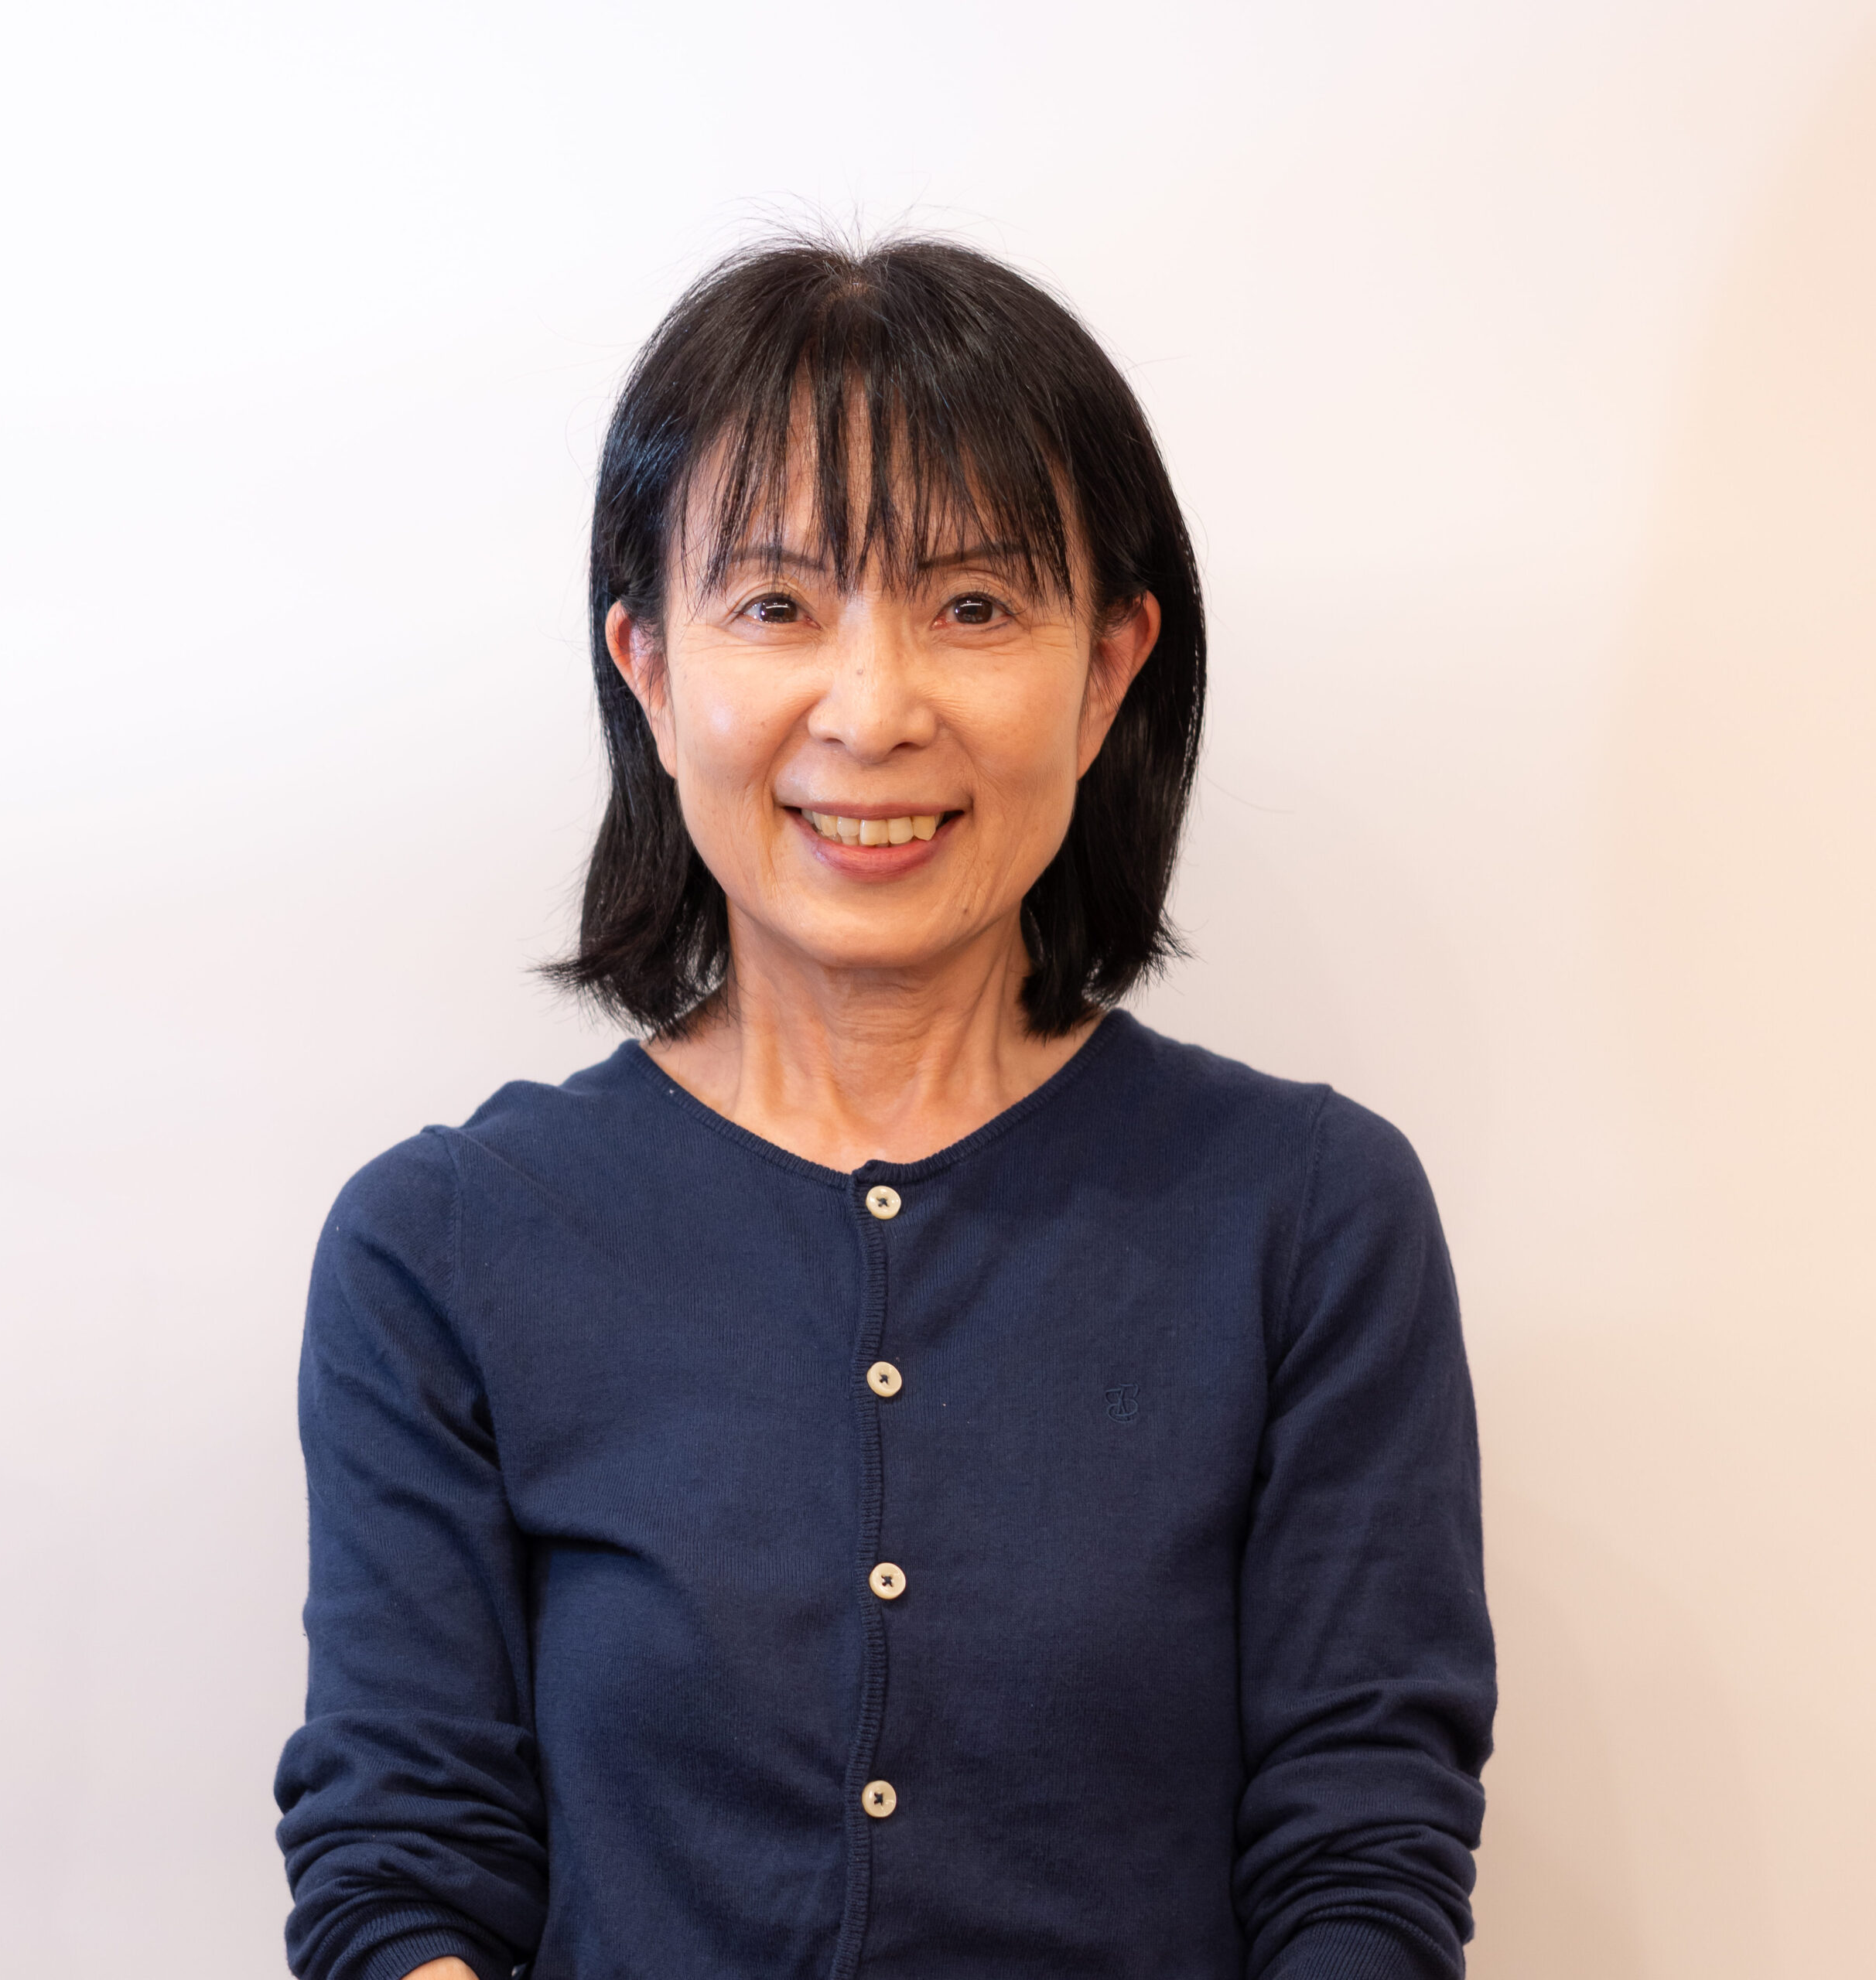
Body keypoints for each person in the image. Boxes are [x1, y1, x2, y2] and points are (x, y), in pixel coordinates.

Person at [274, 235, 1495, 1980]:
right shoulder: (446, 1246)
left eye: (974, 605)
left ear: (1109, 668)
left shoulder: (1307, 1218)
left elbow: (1361, 1857)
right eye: (776, 606)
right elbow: (400, 1869)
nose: (872, 709)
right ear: (646, 665)